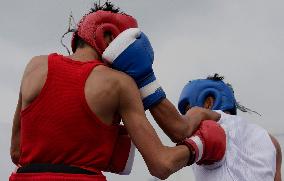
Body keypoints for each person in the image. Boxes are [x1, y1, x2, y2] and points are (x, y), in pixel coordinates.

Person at [9, 2, 226, 181]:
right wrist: (198, 146)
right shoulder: (119, 84)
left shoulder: (35, 67)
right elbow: (161, 164)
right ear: (109, 38)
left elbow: (17, 152)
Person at [177, 73, 282, 181]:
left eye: (188, 109)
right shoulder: (271, 141)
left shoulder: (208, 130)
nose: (186, 115)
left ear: (209, 103)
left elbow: (166, 162)